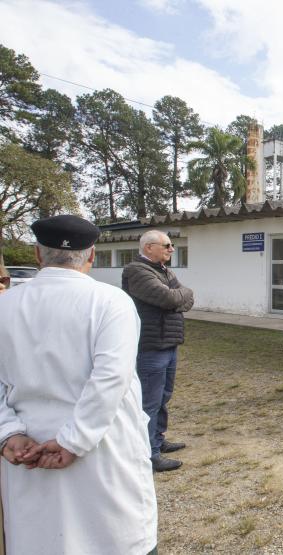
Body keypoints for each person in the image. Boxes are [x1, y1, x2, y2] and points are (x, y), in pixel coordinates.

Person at [0, 215, 157, 554]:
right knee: (113, 540)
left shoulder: (5, 305)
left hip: (28, 449)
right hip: (102, 448)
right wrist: (74, 440)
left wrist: (8, 433)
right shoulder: (111, 302)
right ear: (92, 256)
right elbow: (111, 377)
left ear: (38, 255)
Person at [122, 229, 194, 472]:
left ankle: (158, 440)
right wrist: (178, 297)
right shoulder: (137, 271)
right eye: (167, 245)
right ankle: (148, 454)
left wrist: (178, 295)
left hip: (169, 341)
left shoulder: (163, 270)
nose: (171, 249)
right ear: (148, 247)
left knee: (164, 396)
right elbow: (172, 299)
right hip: (152, 345)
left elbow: (187, 297)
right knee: (150, 402)